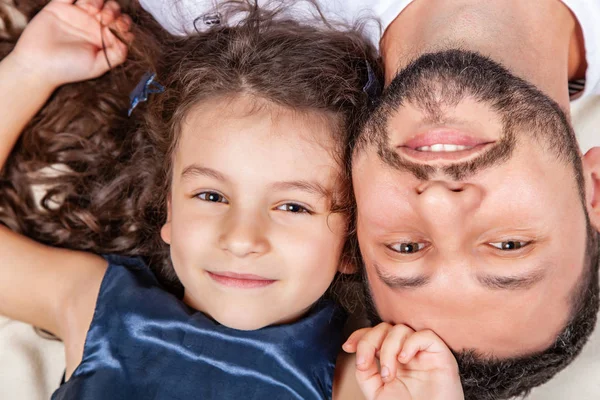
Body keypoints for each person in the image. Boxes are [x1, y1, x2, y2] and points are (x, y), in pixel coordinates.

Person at [0, 0, 464, 399]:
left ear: (349, 243)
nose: (241, 239)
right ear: (169, 208)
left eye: (293, 206)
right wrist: (29, 71)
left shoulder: (365, 379)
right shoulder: (97, 306)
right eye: (211, 195)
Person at [137, 0, 600, 399]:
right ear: (593, 190)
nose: (438, 200)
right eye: (509, 245)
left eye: (405, 247)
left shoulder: (218, 23)